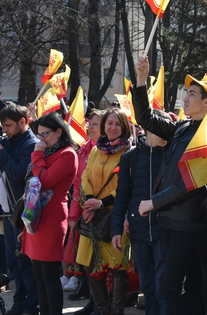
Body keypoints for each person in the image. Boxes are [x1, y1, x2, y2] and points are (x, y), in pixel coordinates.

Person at [133, 56, 207, 315]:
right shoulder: (183, 127)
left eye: (192, 94)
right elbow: (146, 119)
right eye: (187, 92)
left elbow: (190, 184)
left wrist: (154, 202)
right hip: (169, 219)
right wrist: (141, 81)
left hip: (187, 221)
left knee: (169, 288)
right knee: (186, 286)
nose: (186, 97)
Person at [111, 111, 172, 315]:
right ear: (147, 129)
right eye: (160, 128)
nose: (165, 133)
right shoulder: (130, 157)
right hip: (139, 232)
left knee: (164, 287)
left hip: (165, 230)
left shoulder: (171, 154)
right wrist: (116, 229)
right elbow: (122, 197)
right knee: (148, 287)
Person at [21, 113, 78, 315]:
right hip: (35, 217)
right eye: (38, 135)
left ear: (59, 132)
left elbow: (43, 180)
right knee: (38, 273)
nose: (41, 139)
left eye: (45, 134)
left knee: (50, 275)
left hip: (51, 219)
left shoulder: (67, 154)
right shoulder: (46, 151)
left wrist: (37, 155)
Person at [76, 108, 131, 315]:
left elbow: (128, 185)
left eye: (118, 124)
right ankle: (102, 309)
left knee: (116, 267)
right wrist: (90, 201)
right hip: (93, 214)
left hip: (114, 215)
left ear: (124, 127)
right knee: (88, 263)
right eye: (109, 123)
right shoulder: (95, 150)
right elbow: (85, 177)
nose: (113, 128)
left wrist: (103, 202)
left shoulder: (128, 152)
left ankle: (116, 312)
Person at [0, 102, 39, 315]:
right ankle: (19, 303)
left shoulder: (30, 143)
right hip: (9, 212)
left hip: (22, 213)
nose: (5, 130)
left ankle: (30, 305)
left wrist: (0, 151)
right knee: (14, 263)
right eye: (3, 126)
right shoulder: (8, 141)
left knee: (26, 264)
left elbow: (19, 173)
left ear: (23, 122)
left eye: (8, 125)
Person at [64, 109, 103, 306]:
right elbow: (77, 187)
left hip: (103, 212)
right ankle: (90, 298)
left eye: (95, 124)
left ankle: (99, 303)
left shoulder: (108, 150)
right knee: (85, 257)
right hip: (83, 212)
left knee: (101, 261)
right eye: (89, 124)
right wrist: (73, 217)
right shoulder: (84, 150)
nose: (89, 127)